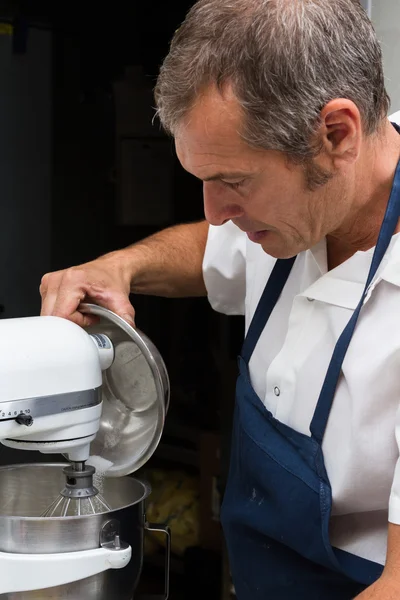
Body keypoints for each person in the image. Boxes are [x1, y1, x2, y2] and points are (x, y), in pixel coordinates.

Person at [40, 0, 400, 598]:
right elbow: (212, 249)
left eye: (233, 182)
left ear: (337, 134)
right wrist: (119, 265)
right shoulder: (302, 208)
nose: (216, 213)